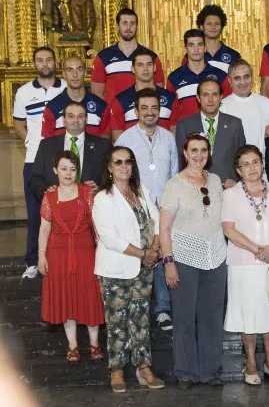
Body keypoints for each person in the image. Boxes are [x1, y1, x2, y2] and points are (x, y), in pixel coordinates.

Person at [92, 146, 165, 392]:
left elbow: (156, 220)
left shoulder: (141, 191)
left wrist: (155, 248)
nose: (124, 166)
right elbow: (110, 238)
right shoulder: (103, 198)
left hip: (144, 268)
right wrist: (144, 253)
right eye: (118, 162)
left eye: (128, 161)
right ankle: (117, 369)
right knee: (116, 322)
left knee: (140, 319)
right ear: (110, 168)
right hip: (116, 270)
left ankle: (143, 367)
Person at [222, 145, 269, 385]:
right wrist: (257, 250)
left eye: (255, 162)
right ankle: (251, 363)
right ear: (238, 170)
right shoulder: (230, 195)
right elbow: (229, 230)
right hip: (243, 264)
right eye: (245, 164)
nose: (251, 168)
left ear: (262, 164)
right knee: (249, 316)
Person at [159, 133, 227, 389]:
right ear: (185, 153)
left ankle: (210, 371)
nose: (199, 155)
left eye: (203, 150)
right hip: (184, 257)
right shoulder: (174, 185)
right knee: (185, 318)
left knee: (212, 317)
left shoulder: (217, 180)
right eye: (194, 150)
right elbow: (164, 228)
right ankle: (185, 371)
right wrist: (169, 262)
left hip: (216, 257)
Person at [115, 89, 178, 332]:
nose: (150, 112)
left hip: (163, 207)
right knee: (141, 255)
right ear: (136, 110)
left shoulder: (168, 138)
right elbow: (119, 175)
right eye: (145, 108)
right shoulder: (126, 139)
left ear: (159, 111)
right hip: (136, 207)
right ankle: (136, 308)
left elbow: (173, 174)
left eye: (154, 108)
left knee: (162, 254)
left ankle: (163, 310)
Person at [37, 150, 105, 363]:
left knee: (90, 296)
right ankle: (73, 345)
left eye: (73, 169)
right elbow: (44, 229)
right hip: (57, 253)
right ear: (55, 170)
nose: (68, 173)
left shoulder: (87, 193)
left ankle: (94, 345)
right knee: (66, 299)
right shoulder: (48, 197)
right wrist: (41, 255)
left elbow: (97, 224)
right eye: (64, 168)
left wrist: (102, 250)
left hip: (85, 250)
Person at [13, 46, 67, 279]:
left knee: (65, 211)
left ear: (55, 62)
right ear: (34, 64)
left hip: (64, 160)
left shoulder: (66, 89)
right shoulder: (24, 92)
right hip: (34, 159)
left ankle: (62, 258)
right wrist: (32, 142)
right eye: (40, 60)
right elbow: (18, 124)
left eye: (48, 60)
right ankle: (32, 262)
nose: (45, 64)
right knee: (36, 211)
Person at [30, 101, 110, 203]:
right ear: (64, 120)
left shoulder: (103, 146)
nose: (76, 120)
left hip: (92, 207)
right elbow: (35, 178)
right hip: (57, 205)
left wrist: (100, 190)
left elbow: (111, 178)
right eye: (71, 116)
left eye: (80, 116)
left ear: (86, 119)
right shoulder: (46, 145)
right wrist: (47, 191)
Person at [175, 79, 245, 188]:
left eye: (215, 94)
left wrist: (236, 179)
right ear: (198, 98)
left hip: (228, 189)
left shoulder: (235, 124)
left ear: (221, 97)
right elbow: (180, 160)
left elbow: (242, 158)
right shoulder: (184, 125)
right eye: (205, 95)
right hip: (194, 189)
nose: (210, 99)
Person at [91, 8, 164, 100]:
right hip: (115, 113)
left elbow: (159, 91)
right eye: (125, 23)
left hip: (143, 113)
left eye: (132, 23)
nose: (129, 28)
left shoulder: (151, 57)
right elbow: (97, 95)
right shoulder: (103, 57)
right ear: (117, 27)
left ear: (137, 27)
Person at [110, 48, 179, 141]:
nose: (145, 69)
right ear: (133, 69)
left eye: (149, 64)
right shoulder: (121, 101)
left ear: (154, 67)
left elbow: (174, 135)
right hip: (133, 154)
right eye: (140, 65)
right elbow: (117, 140)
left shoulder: (170, 98)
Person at [220, 59, 269, 156]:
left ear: (252, 78)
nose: (242, 82)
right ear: (230, 81)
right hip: (233, 165)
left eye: (246, 77)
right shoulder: (222, 107)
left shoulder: (266, 104)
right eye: (237, 78)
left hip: (264, 166)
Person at [167, 29, 231, 120]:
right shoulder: (174, 78)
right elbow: (172, 115)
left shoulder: (221, 76)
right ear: (185, 49)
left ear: (205, 48)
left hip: (215, 131)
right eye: (191, 45)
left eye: (200, 45)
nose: (196, 49)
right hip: (186, 132)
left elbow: (227, 106)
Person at [42, 56, 110, 138]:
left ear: (85, 73)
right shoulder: (52, 107)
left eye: (79, 70)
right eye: (70, 70)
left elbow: (105, 143)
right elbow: (48, 144)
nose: (75, 75)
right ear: (64, 74)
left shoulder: (101, 106)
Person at [194, 4, 241, 75]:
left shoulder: (234, 56)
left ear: (221, 27)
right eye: (209, 24)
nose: (213, 27)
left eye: (217, 24)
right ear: (201, 27)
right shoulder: (192, 55)